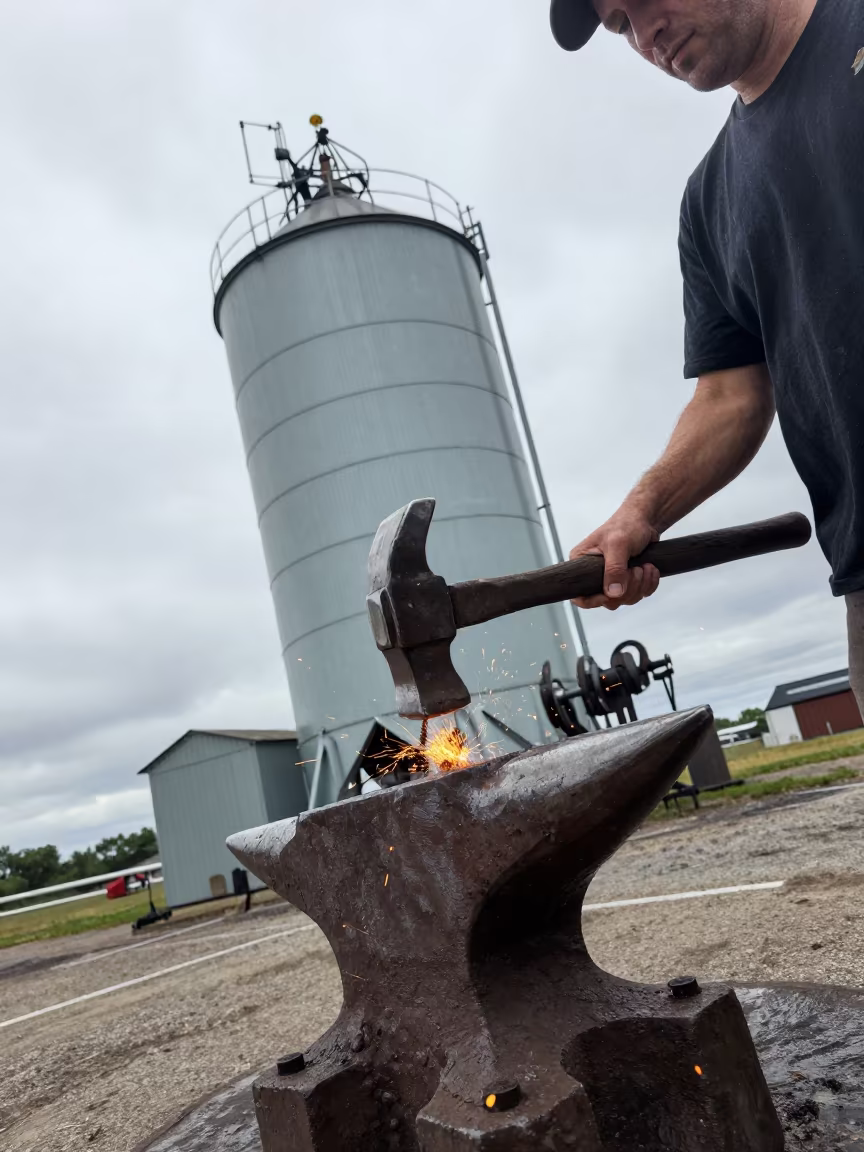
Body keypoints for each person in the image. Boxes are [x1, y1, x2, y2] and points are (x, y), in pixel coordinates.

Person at [548, 0, 864, 708]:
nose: (645, 34)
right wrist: (641, 512)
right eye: (620, 25)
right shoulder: (708, 201)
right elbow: (732, 397)